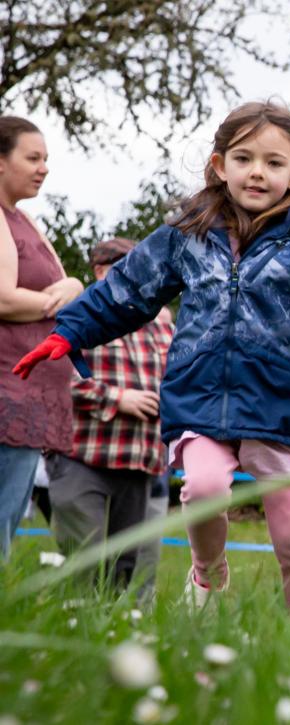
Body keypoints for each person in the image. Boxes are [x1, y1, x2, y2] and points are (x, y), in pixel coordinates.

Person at [14, 101, 290, 626]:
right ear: (219, 165)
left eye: (274, 163)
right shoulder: (186, 236)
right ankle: (208, 574)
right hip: (202, 401)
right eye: (244, 157)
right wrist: (69, 331)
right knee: (205, 488)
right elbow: (126, 290)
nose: (257, 171)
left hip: (280, 408)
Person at [45, 237, 174, 590]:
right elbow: (52, 374)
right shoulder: (77, 311)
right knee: (82, 564)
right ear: (102, 271)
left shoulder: (162, 319)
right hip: (82, 454)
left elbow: (179, 375)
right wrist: (116, 398)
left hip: (139, 460)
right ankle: (70, 638)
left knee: (124, 572)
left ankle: (114, 640)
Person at [0, 116, 84, 558]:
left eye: (46, 159)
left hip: (29, 398)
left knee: (9, 517)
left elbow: (68, 284)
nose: (44, 168)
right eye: (32, 158)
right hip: (6, 397)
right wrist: (61, 296)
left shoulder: (25, 220)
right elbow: (5, 300)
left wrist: (70, 289)